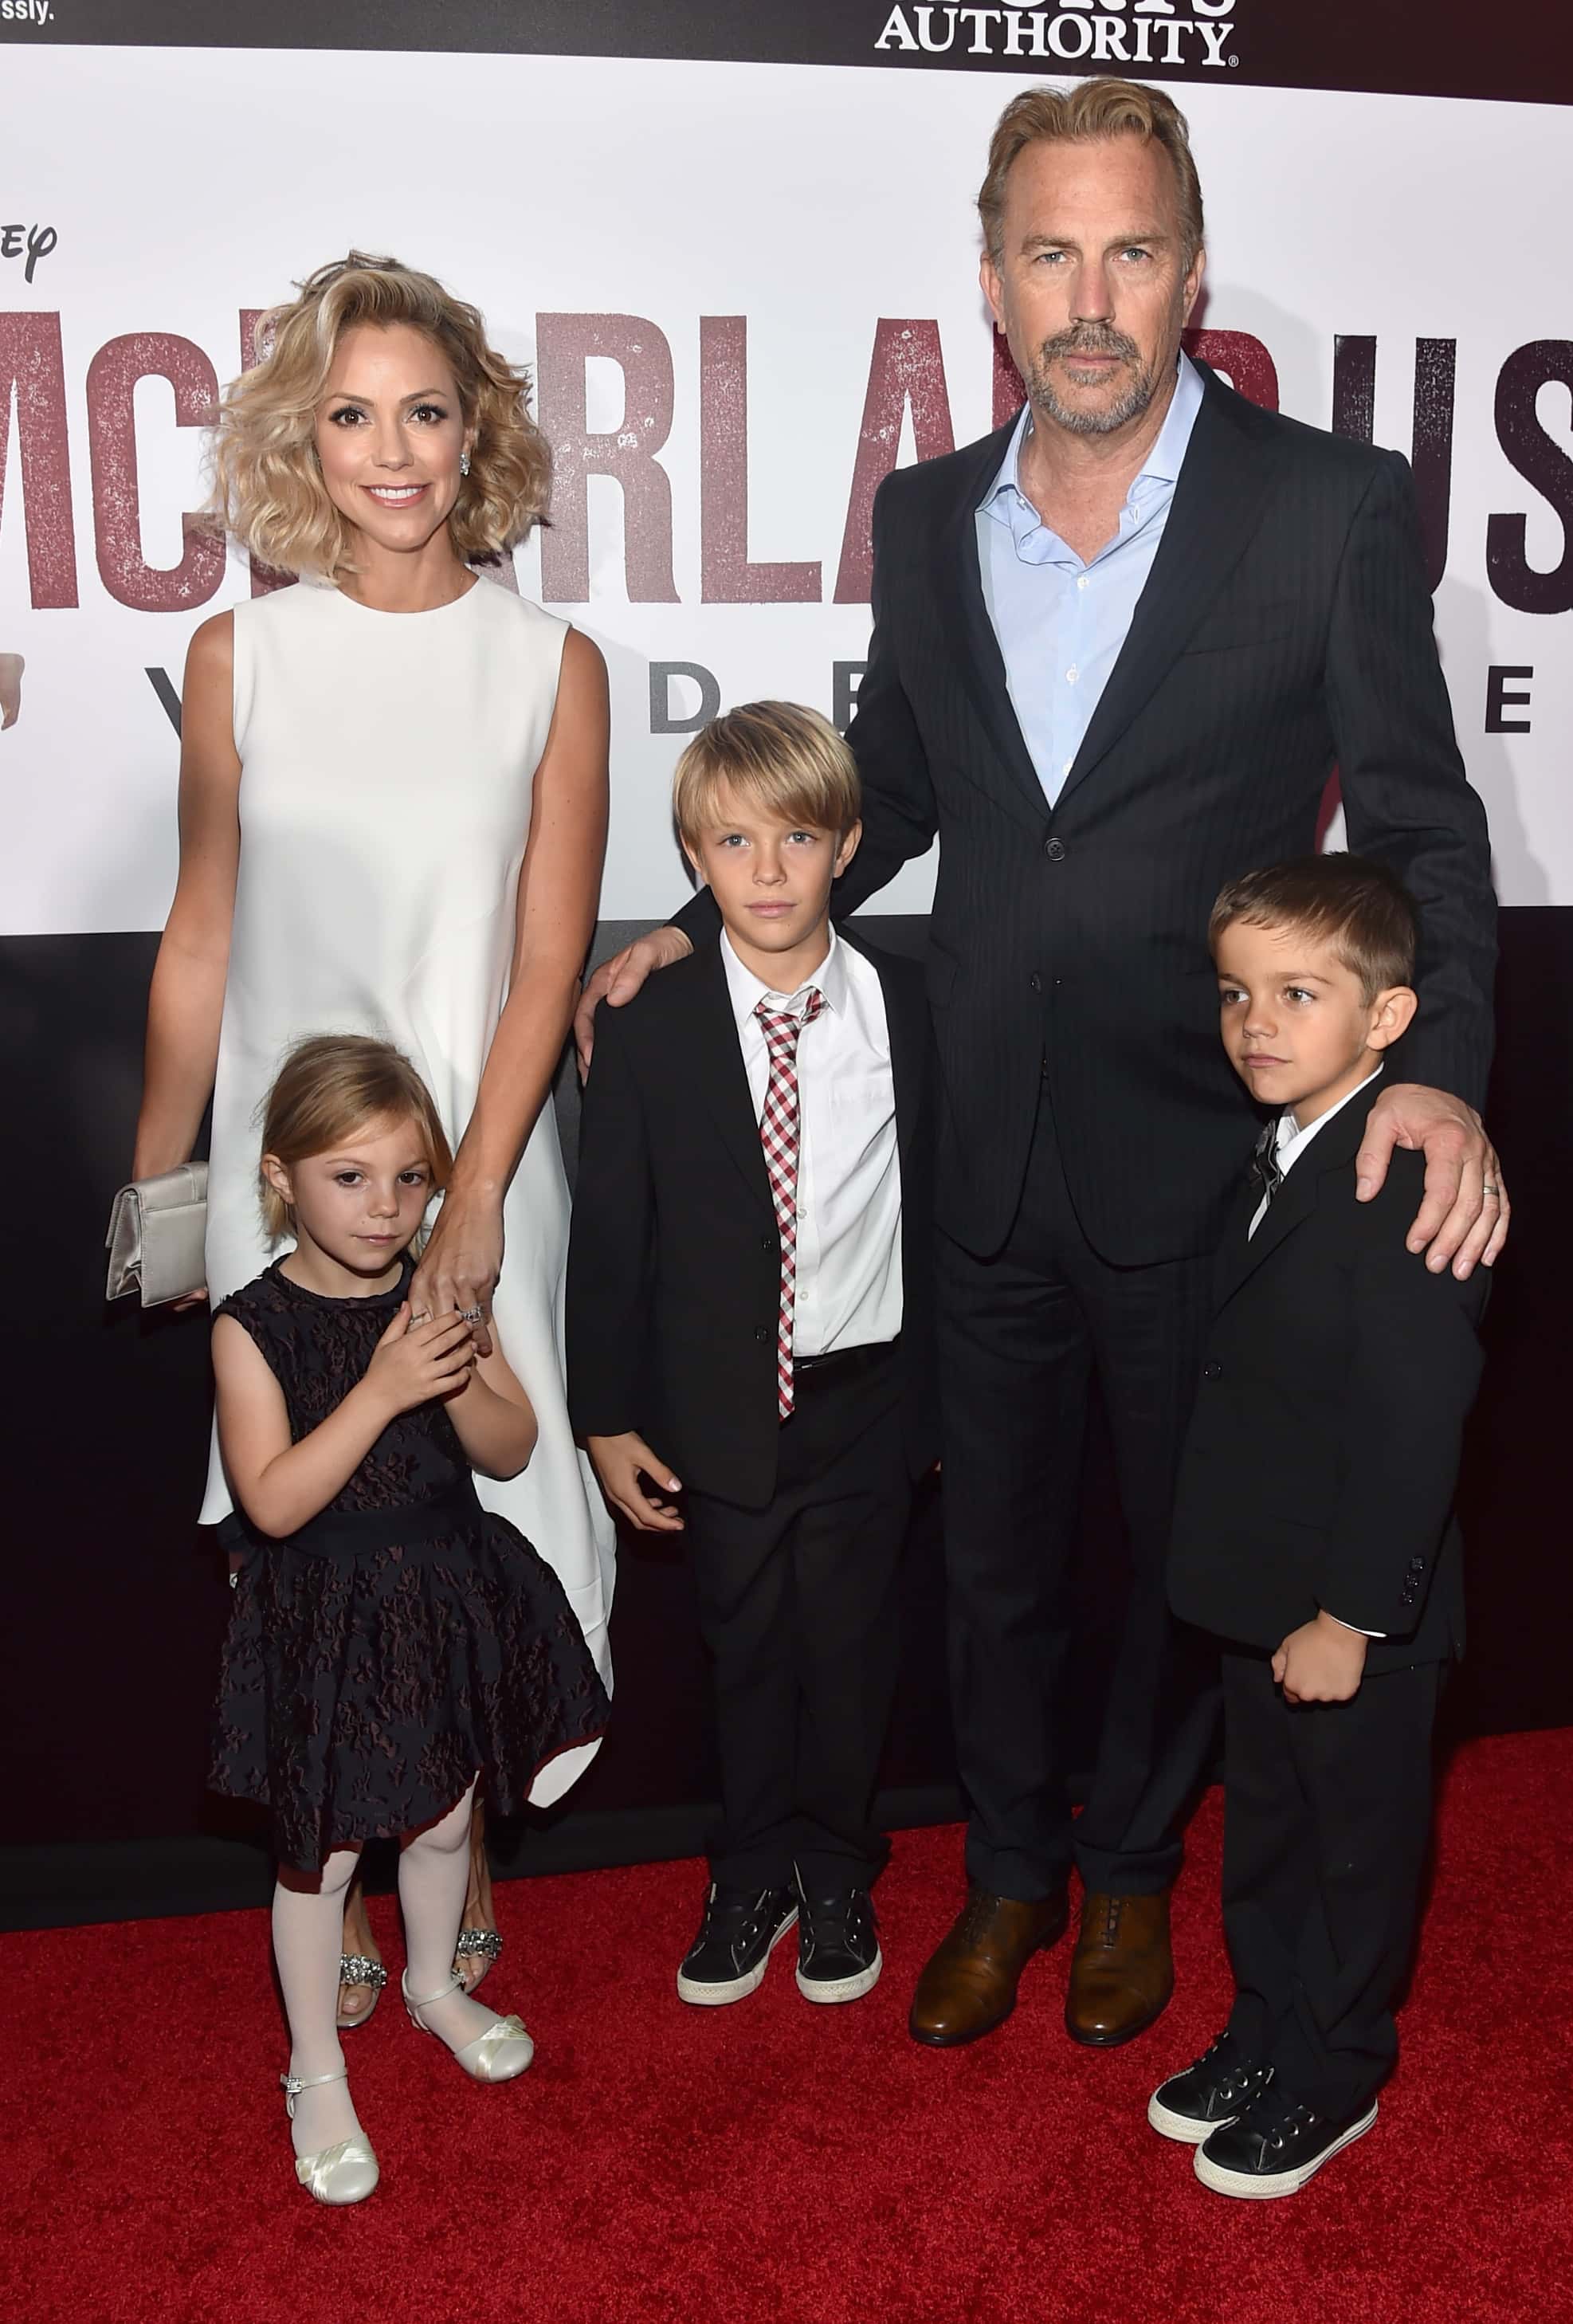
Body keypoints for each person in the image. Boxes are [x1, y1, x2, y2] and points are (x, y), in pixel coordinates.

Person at [575, 77, 1505, 2054]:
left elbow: (1421, 829)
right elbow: (892, 796)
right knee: (989, 1564)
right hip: (974, 1149)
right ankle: (1004, 1876)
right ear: (991, 281)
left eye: (1133, 252)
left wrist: (1444, 1071)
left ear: (1189, 274)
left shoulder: (1323, 505)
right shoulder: (925, 517)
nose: (1091, 297)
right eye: (1049, 253)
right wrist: (701, 920)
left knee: (1192, 1566)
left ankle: (1130, 1880)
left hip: (1214, 1161)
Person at [132, 253, 614, 2022]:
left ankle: (457, 1826)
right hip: (282, 1170)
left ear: (474, 427)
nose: (391, 451)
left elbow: (547, 956)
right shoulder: (237, 652)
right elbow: (198, 937)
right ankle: (328, 1841)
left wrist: (478, 1190)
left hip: (479, 1154)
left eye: (424, 410)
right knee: (315, 1530)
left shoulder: (549, 665)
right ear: (299, 439)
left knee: (494, 1506)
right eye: (351, 415)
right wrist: (165, 1193)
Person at [566, 705, 936, 2007]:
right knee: (743, 1645)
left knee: (851, 1648)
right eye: (733, 842)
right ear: (692, 854)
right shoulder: (651, 1023)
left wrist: (942, 1397)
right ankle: (748, 1869)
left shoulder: (910, 1004)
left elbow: (945, 1210)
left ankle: (837, 1867)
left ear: (845, 846)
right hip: (719, 1405)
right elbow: (611, 1237)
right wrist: (605, 1413)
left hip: (871, 1396)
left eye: (796, 838)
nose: (768, 872)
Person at [210, 1035, 609, 2204]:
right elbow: (273, 1502)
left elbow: (512, 1447)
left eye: (411, 1179)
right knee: (322, 1853)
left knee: (444, 1822)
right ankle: (316, 2065)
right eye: (350, 1177)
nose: (385, 1209)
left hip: (442, 1592)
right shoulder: (252, 1327)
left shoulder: (440, 1295)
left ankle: (434, 1986)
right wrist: (381, 1387)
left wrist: (463, 1363)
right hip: (326, 1611)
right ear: (282, 1177)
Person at [1151, 857, 1488, 2198]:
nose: (1258, 1025)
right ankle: (1266, 2027)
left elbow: (1419, 1426)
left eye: (1299, 994)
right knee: (1268, 1834)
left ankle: (1337, 2064)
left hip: (1358, 1617)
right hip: (1257, 1588)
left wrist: (1354, 1615)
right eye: (1238, 995)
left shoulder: (1405, 1183)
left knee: (1353, 1852)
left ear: (1389, 1021)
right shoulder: (1276, 1150)